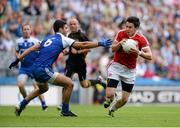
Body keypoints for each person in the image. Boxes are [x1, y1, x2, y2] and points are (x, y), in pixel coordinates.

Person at [9, 19, 112, 117]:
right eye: (66, 28)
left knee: (43, 89)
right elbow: (82, 44)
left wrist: (18, 59)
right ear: (61, 29)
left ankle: (21, 105)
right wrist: (100, 43)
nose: (67, 30)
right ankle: (65, 111)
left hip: (34, 68)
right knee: (70, 83)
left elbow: (31, 49)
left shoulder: (46, 39)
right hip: (43, 69)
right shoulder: (63, 38)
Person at [103, 16, 152, 117]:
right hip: (116, 66)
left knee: (125, 100)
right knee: (109, 94)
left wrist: (138, 52)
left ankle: (112, 109)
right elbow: (113, 49)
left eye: (130, 27)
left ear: (136, 28)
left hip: (130, 71)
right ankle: (111, 98)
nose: (127, 29)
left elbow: (150, 56)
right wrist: (120, 43)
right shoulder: (121, 33)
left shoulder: (141, 39)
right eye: (126, 26)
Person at [57, 18, 106, 110]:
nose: (72, 26)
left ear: (78, 25)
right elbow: (71, 50)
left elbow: (88, 49)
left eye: (74, 24)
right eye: (70, 24)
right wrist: (67, 52)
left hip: (80, 64)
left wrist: (79, 53)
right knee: (66, 82)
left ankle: (99, 81)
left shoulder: (82, 36)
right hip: (70, 63)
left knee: (84, 85)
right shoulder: (68, 36)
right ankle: (63, 104)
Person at [15, 23, 48, 111]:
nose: (26, 31)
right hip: (24, 68)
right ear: (22, 31)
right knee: (21, 85)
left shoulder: (35, 41)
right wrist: (18, 57)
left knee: (37, 87)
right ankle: (26, 99)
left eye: (28, 29)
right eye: (24, 29)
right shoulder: (18, 41)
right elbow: (16, 51)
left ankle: (44, 104)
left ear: (31, 30)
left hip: (34, 68)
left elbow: (40, 52)